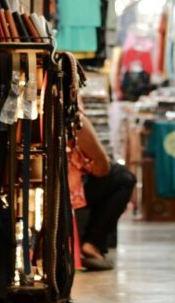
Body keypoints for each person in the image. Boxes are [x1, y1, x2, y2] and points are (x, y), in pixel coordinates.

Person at [69, 110, 137, 271]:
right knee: (124, 178)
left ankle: (93, 242)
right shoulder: (70, 110)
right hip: (69, 188)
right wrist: (99, 160)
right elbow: (102, 167)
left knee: (116, 175)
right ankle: (93, 243)